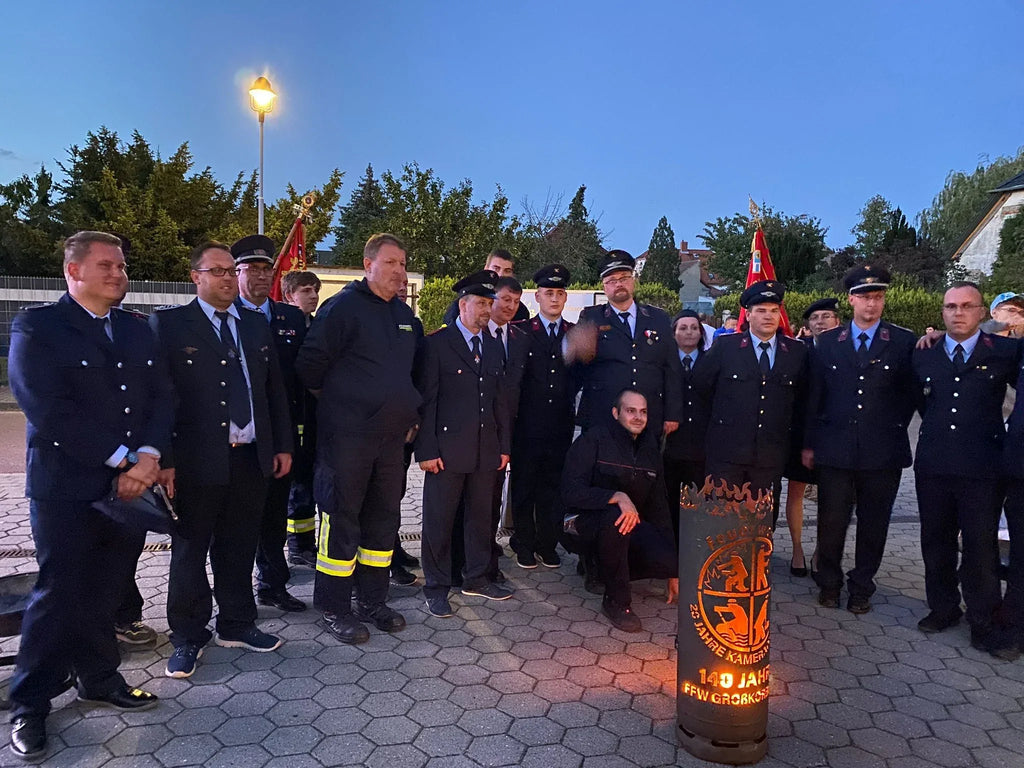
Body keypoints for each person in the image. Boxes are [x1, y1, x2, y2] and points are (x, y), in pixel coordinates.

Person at [6, 231, 172, 759]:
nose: (118, 274)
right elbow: (48, 410)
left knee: (106, 589)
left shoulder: (135, 330)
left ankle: (99, 678)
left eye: (121, 267)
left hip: (130, 486)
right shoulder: (40, 327)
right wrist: (124, 461)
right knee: (59, 593)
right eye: (106, 265)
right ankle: (30, 703)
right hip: (67, 487)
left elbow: (160, 397)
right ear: (72, 272)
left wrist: (148, 456)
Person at [152, 241, 294, 679]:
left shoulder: (254, 326)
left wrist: (281, 444)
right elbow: (159, 400)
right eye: (217, 272)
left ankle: (236, 622)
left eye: (232, 272)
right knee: (191, 550)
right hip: (195, 462)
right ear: (196, 276)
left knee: (238, 546)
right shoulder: (171, 325)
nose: (228, 279)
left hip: (250, 456)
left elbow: (273, 392)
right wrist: (165, 459)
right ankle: (188, 635)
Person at [295, 234, 421, 644]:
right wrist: (345, 407)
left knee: (383, 523)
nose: (399, 272)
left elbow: (413, 376)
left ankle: (372, 601)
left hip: (389, 444)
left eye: (402, 264)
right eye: (390, 263)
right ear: (368, 265)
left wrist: (407, 413)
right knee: (341, 522)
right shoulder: (341, 309)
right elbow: (310, 367)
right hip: (346, 440)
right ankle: (334, 607)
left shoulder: (406, 319)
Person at [912, 282, 1019, 659]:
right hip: (934, 462)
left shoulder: (1006, 350)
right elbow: (920, 402)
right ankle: (942, 608)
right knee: (935, 542)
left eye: (967, 306)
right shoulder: (924, 353)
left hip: (983, 466)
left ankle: (982, 618)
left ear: (982, 311)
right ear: (942, 312)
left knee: (980, 547)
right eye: (951, 306)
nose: (958, 313)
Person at [804, 265, 917, 614]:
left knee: (874, 524)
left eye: (878, 297)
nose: (872, 304)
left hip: (881, 450)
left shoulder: (902, 341)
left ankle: (862, 587)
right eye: (865, 297)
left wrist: (890, 427)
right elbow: (814, 397)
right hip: (835, 448)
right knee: (831, 521)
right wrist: (809, 444)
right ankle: (829, 583)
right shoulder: (827, 343)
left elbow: (911, 394)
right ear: (851, 300)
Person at [416, 270, 512, 618]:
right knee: (439, 523)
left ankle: (476, 578)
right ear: (462, 305)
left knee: (480, 520)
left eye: (490, 303)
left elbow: (500, 399)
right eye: (481, 303)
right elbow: (427, 401)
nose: (488, 310)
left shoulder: (492, 345)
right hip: (446, 451)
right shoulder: (437, 345)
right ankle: (437, 586)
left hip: (485, 450)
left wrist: (504, 446)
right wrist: (426, 450)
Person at [231, 235, 308, 613]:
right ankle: (235, 596)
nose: (261, 277)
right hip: (241, 439)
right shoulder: (227, 317)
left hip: (282, 434)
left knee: (276, 517)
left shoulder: (290, 317)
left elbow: (303, 375)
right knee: (240, 523)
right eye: (252, 270)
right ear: (237, 273)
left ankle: (273, 585)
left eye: (266, 270)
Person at [561, 390, 678, 632]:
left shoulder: (650, 450)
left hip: (623, 528)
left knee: (665, 556)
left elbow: (659, 507)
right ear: (616, 413)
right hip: (576, 523)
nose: (638, 417)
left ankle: (604, 568)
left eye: (643, 412)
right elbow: (570, 491)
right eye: (631, 410)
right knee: (617, 516)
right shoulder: (593, 440)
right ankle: (617, 600)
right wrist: (615, 496)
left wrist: (672, 568)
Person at [693, 280, 808, 500]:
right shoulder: (726, 348)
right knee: (722, 523)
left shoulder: (795, 352)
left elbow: (802, 400)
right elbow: (701, 388)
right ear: (748, 315)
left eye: (774, 311)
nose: (768, 316)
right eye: (761, 310)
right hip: (726, 454)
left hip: (769, 457)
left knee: (763, 527)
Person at [566, 250, 682, 436]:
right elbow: (576, 366)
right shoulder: (591, 317)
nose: (619, 284)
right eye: (611, 280)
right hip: (603, 415)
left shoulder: (657, 318)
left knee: (647, 464)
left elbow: (672, 368)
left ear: (633, 281)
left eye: (624, 278)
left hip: (648, 416)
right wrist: (574, 349)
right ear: (604, 287)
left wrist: (673, 413)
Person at [509, 264, 576, 569]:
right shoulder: (522, 331)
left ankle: (547, 544)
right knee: (524, 487)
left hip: (559, 426)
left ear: (565, 298)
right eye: (548, 293)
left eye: (559, 293)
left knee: (552, 488)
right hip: (527, 426)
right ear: (537, 296)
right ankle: (523, 543)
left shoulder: (573, 334)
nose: (554, 298)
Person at [782, 297, 841, 576]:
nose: (820, 322)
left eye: (826, 316)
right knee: (795, 493)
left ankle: (821, 552)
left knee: (831, 499)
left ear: (837, 321)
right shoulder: (799, 350)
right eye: (815, 318)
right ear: (808, 325)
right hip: (800, 431)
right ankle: (796, 550)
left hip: (834, 436)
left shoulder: (847, 349)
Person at [279, 270, 322, 566]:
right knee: (298, 485)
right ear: (289, 295)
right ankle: (297, 544)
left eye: (315, 290)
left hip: (317, 415)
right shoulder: (282, 328)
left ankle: (307, 543)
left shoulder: (319, 327)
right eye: (305, 290)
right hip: (293, 415)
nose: (313, 295)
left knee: (309, 480)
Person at [662, 309, 710, 541]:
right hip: (670, 445)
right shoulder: (664, 362)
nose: (689, 332)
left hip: (702, 445)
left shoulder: (712, 361)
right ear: (673, 334)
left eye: (694, 327)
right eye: (683, 328)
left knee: (698, 500)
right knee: (669, 498)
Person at [441, 249, 530, 326]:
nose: (500, 274)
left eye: (507, 271)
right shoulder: (465, 304)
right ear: (486, 268)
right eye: (496, 268)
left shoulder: (520, 311)